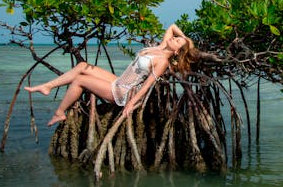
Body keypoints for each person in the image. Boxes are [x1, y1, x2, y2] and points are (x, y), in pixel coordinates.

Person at [24, 24, 198, 126]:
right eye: (175, 38)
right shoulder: (160, 47)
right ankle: (48, 86)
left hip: (122, 91)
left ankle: (60, 112)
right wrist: (185, 39)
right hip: (118, 81)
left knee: (80, 80)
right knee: (83, 65)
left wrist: (130, 104)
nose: (174, 38)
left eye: (176, 41)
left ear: (176, 52)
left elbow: (147, 85)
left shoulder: (162, 61)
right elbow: (172, 26)